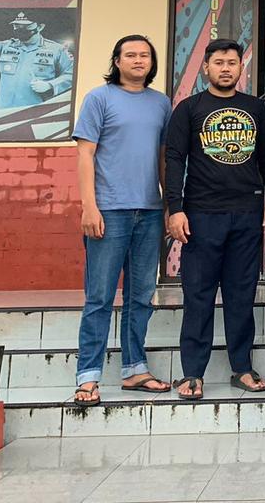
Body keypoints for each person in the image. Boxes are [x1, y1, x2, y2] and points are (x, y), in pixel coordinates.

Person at [165, 39, 265, 399]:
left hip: (247, 213)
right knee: (198, 295)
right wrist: (175, 207)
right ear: (206, 68)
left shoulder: (254, 108)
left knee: (241, 294)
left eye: (232, 62)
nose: (226, 68)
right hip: (201, 214)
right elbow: (174, 159)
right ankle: (192, 373)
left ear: (240, 68)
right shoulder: (189, 109)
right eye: (219, 62)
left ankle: (242, 367)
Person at [69, 35, 173, 406]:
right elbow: (85, 156)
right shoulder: (99, 98)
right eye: (130, 55)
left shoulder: (161, 103)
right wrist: (89, 206)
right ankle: (88, 376)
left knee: (141, 296)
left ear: (152, 62)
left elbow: (163, 158)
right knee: (99, 297)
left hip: (149, 212)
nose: (138, 60)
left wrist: (169, 204)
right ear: (117, 61)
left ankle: (134, 369)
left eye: (145, 55)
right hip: (109, 211)